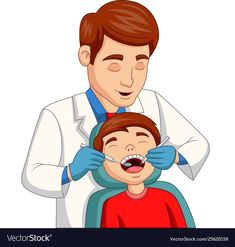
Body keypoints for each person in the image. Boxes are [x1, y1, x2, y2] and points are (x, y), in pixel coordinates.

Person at [21, 0, 209, 227]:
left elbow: (199, 143)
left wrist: (177, 156)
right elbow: (32, 174)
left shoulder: (152, 101)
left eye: (140, 65)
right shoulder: (58, 114)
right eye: (114, 64)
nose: (129, 80)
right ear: (86, 56)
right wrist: (70, 172)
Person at [92, 112, 188, 228]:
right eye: (114, 144)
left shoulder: (168, 197)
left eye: (141, 140)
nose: (130, 147)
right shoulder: (111, 205)